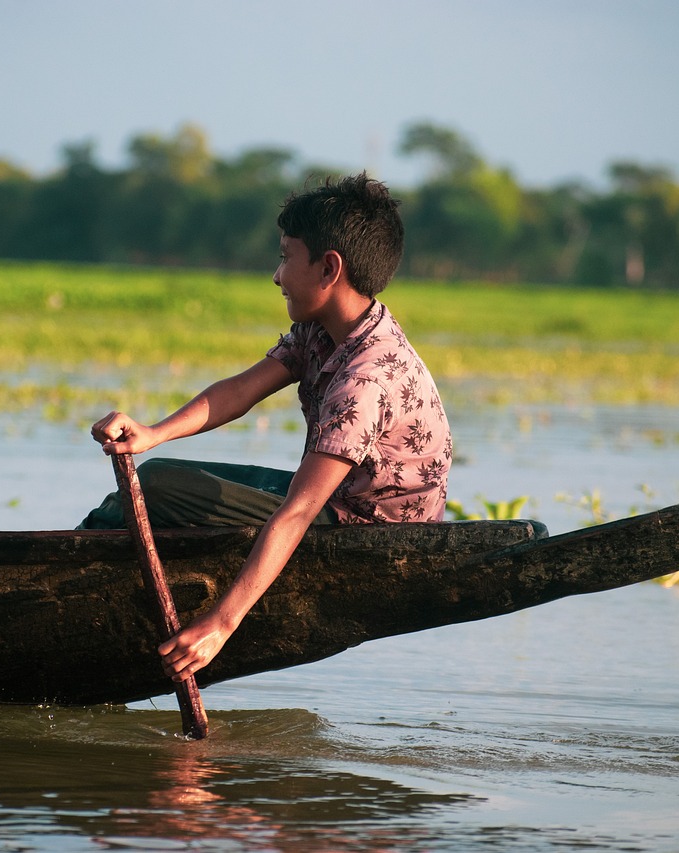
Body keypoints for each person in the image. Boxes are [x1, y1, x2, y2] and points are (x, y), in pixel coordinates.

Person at [80, 172, 451, 682]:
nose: (277, 276)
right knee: (152, 476)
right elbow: (239, 391)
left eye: (285, 257)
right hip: (341, 498)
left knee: (159, 484)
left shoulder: (368, 378)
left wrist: (220, 624)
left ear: (329, 268)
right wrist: (152, 432)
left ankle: (80, 554)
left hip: (366, 530)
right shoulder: (325, 329)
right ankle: (88, 540)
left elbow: (299, 512)